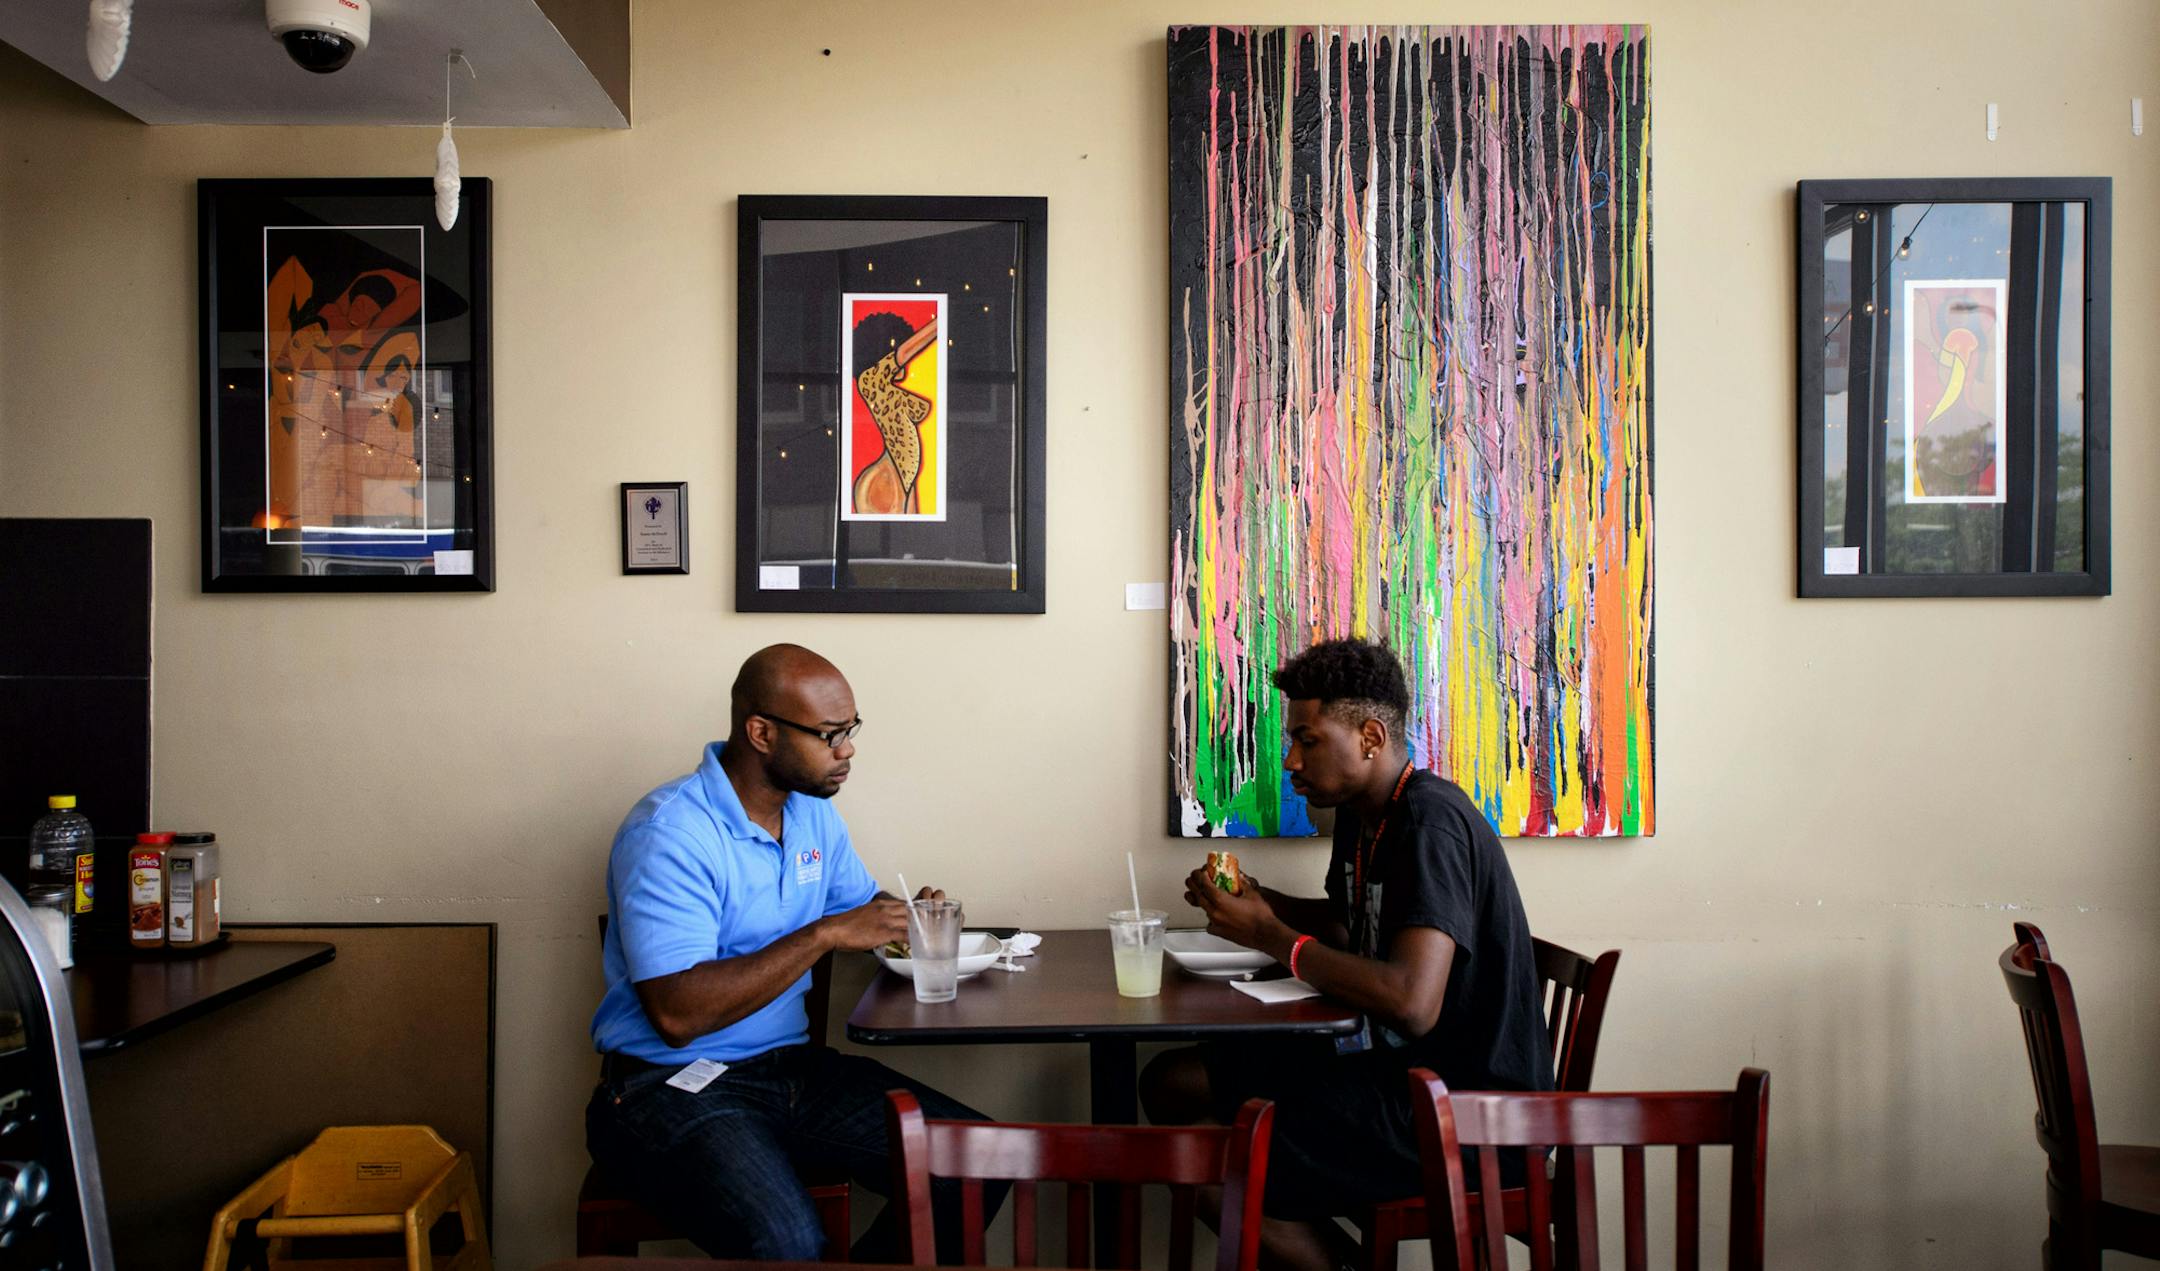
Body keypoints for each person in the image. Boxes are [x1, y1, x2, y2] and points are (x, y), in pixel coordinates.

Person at [1141, 637, 1552, 1271]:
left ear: (1368, 737)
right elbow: (1344, 926)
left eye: (1307, 740)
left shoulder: (1429, 824)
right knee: (1168, 1081)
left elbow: (1412, 1004)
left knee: (1195, 1158)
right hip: (1398, 1077)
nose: (1290, 760)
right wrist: (1260, 901)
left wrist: (1268, 935)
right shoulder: (1366, 816)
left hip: (1466, 1115)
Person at [586, 642, 994, 1261]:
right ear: (761, 732)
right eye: (830, 734)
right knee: (788, 1240)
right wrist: (826, 933)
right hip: (666, 1089)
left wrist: (904, 918)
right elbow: (677, 1015)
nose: (848, 749)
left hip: (789, 1074)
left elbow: (858, 910)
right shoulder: (669, 832)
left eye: (850, 730)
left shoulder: (811, 816)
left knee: (975, 1160)